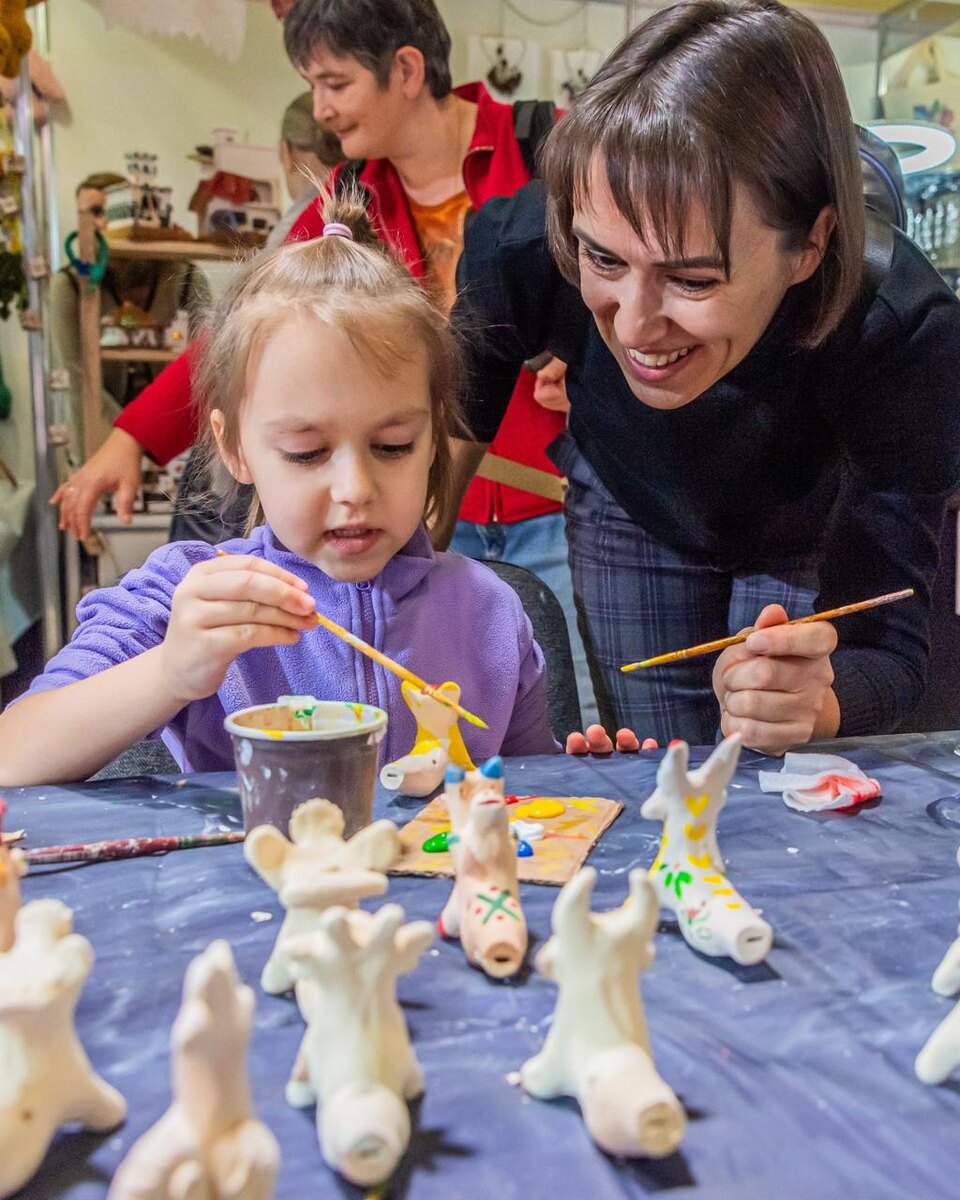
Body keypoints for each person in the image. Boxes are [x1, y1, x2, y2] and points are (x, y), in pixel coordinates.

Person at [50, 0, 599, 727]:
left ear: (406, 70)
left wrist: (589, 361)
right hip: (424, 515)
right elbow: (250, 333)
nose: (321, 108)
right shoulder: (346, 203)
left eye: (335, 83)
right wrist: (134, 438)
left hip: (546, 503)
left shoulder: (551, 153)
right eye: (313, 85)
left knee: (549, 709)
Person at [449, 0, 960, 756]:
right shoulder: (525, 243)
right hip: (630, 496)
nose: (632, 328)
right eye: (604, 260)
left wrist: (820, 701)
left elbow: (892, 642)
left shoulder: (902, 329)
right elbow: (438, 453)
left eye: (692, 279)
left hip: (812, 523)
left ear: (809, 245)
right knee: (666, 775)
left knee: (783, 772)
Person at [0, 196, 557, 787]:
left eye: (393, 445)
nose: (355, 489)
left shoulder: (490, 612)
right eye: (306, 452)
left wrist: (583, 774)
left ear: (432, 437)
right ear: (235, 447)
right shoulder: (187, 596)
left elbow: (534, 797)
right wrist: (170, 671)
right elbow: (13, 754)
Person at [50, 174, 211, 469]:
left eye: (106, 211)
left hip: (176, 451)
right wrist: (129, 441)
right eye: (88, 214)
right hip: (99, 447)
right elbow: (79, 376)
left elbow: (206, 367)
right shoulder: (69, 287)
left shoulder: (187, 279)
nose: (100, 224)